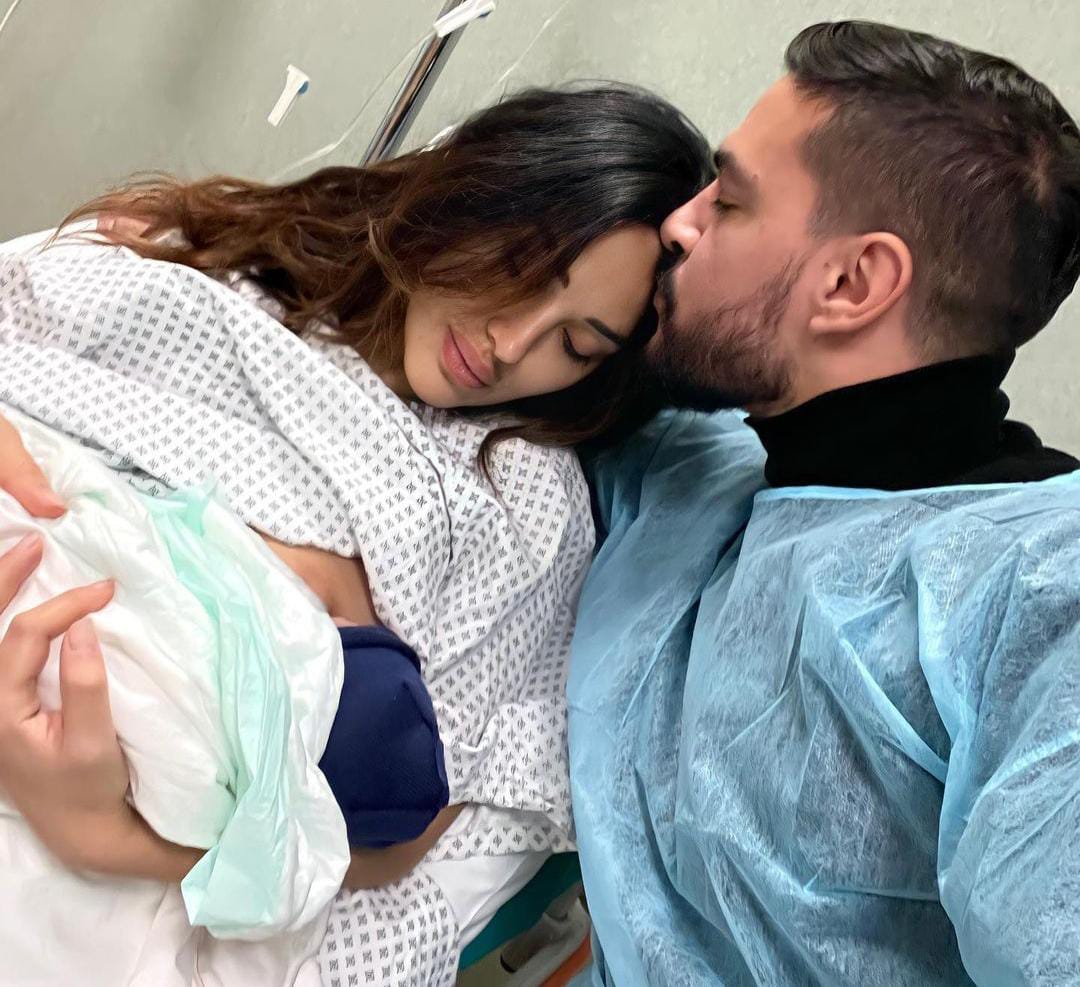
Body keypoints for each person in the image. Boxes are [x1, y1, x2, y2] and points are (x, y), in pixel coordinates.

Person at [0, 85, 713, 987]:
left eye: (575, 344)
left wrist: (105, 835)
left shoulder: (524, 504)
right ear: (472, 187)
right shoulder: (208, 272)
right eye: (520, 263)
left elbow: (398, 821)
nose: (509, 341)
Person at [568, 20, 1080, 987]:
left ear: (850, 284)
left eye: (728, 200)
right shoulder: (712, 473)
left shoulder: (1044, 594)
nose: (680, 224)